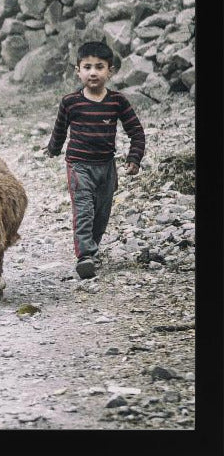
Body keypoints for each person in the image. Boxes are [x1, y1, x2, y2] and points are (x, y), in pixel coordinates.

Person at [45, 41, 145, 280]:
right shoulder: (70, 102)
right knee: (84, 210)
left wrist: (134, 157)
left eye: (99, 67)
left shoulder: (117, 101)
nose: (93, 72)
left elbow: (136, 131)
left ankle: (93, 248)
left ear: (110, 71)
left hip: (106, 167)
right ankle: (85, 256)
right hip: (79, 166)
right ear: (77, 71)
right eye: (87, 66)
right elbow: (60, 130)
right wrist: (53, 149)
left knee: (101, 213)